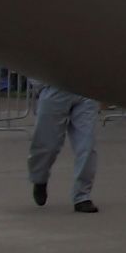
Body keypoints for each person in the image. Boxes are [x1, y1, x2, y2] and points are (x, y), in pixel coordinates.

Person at [26, 81, 100, 214]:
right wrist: (41, 85)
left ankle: (82, 196)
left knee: (87, 145)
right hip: (55, 86)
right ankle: (39, 178)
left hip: (87, 88)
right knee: (47, 145)